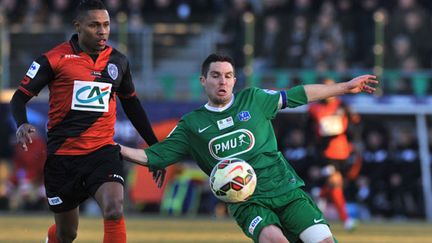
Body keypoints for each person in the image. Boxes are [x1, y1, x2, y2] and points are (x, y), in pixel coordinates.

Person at [119, 53, 378, 243]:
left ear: (234, 81)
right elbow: (155, 156)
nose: (223, 81)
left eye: (228, 76)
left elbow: (300, 94)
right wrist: (112, 148)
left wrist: (344, 87)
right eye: (216, 75)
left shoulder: (254, 99)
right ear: (203, 80)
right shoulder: (192, 124)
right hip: (247, 203)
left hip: (285, 190)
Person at [9, 1, 163, 242]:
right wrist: (21, 123)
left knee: (114, 208)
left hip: (102, 152)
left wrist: (155, 146)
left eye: (106, 25)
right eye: (94, 25)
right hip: (63, 157)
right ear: (78, 27)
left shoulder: (118, 62)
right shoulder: (54, 59)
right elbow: (19, 98)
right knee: (67, 233)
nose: (102, 31)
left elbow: (132, 105)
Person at [307, 78, 361, 231]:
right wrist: (315, 156)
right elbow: (309, 134)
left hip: (343, 153)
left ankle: (318, 195)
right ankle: (347, 220)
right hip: (325, 154)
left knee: (333, 186)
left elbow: (355, 127)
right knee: (335, 182)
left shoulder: (343, 106)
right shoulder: (314, 109)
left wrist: (353, 123)